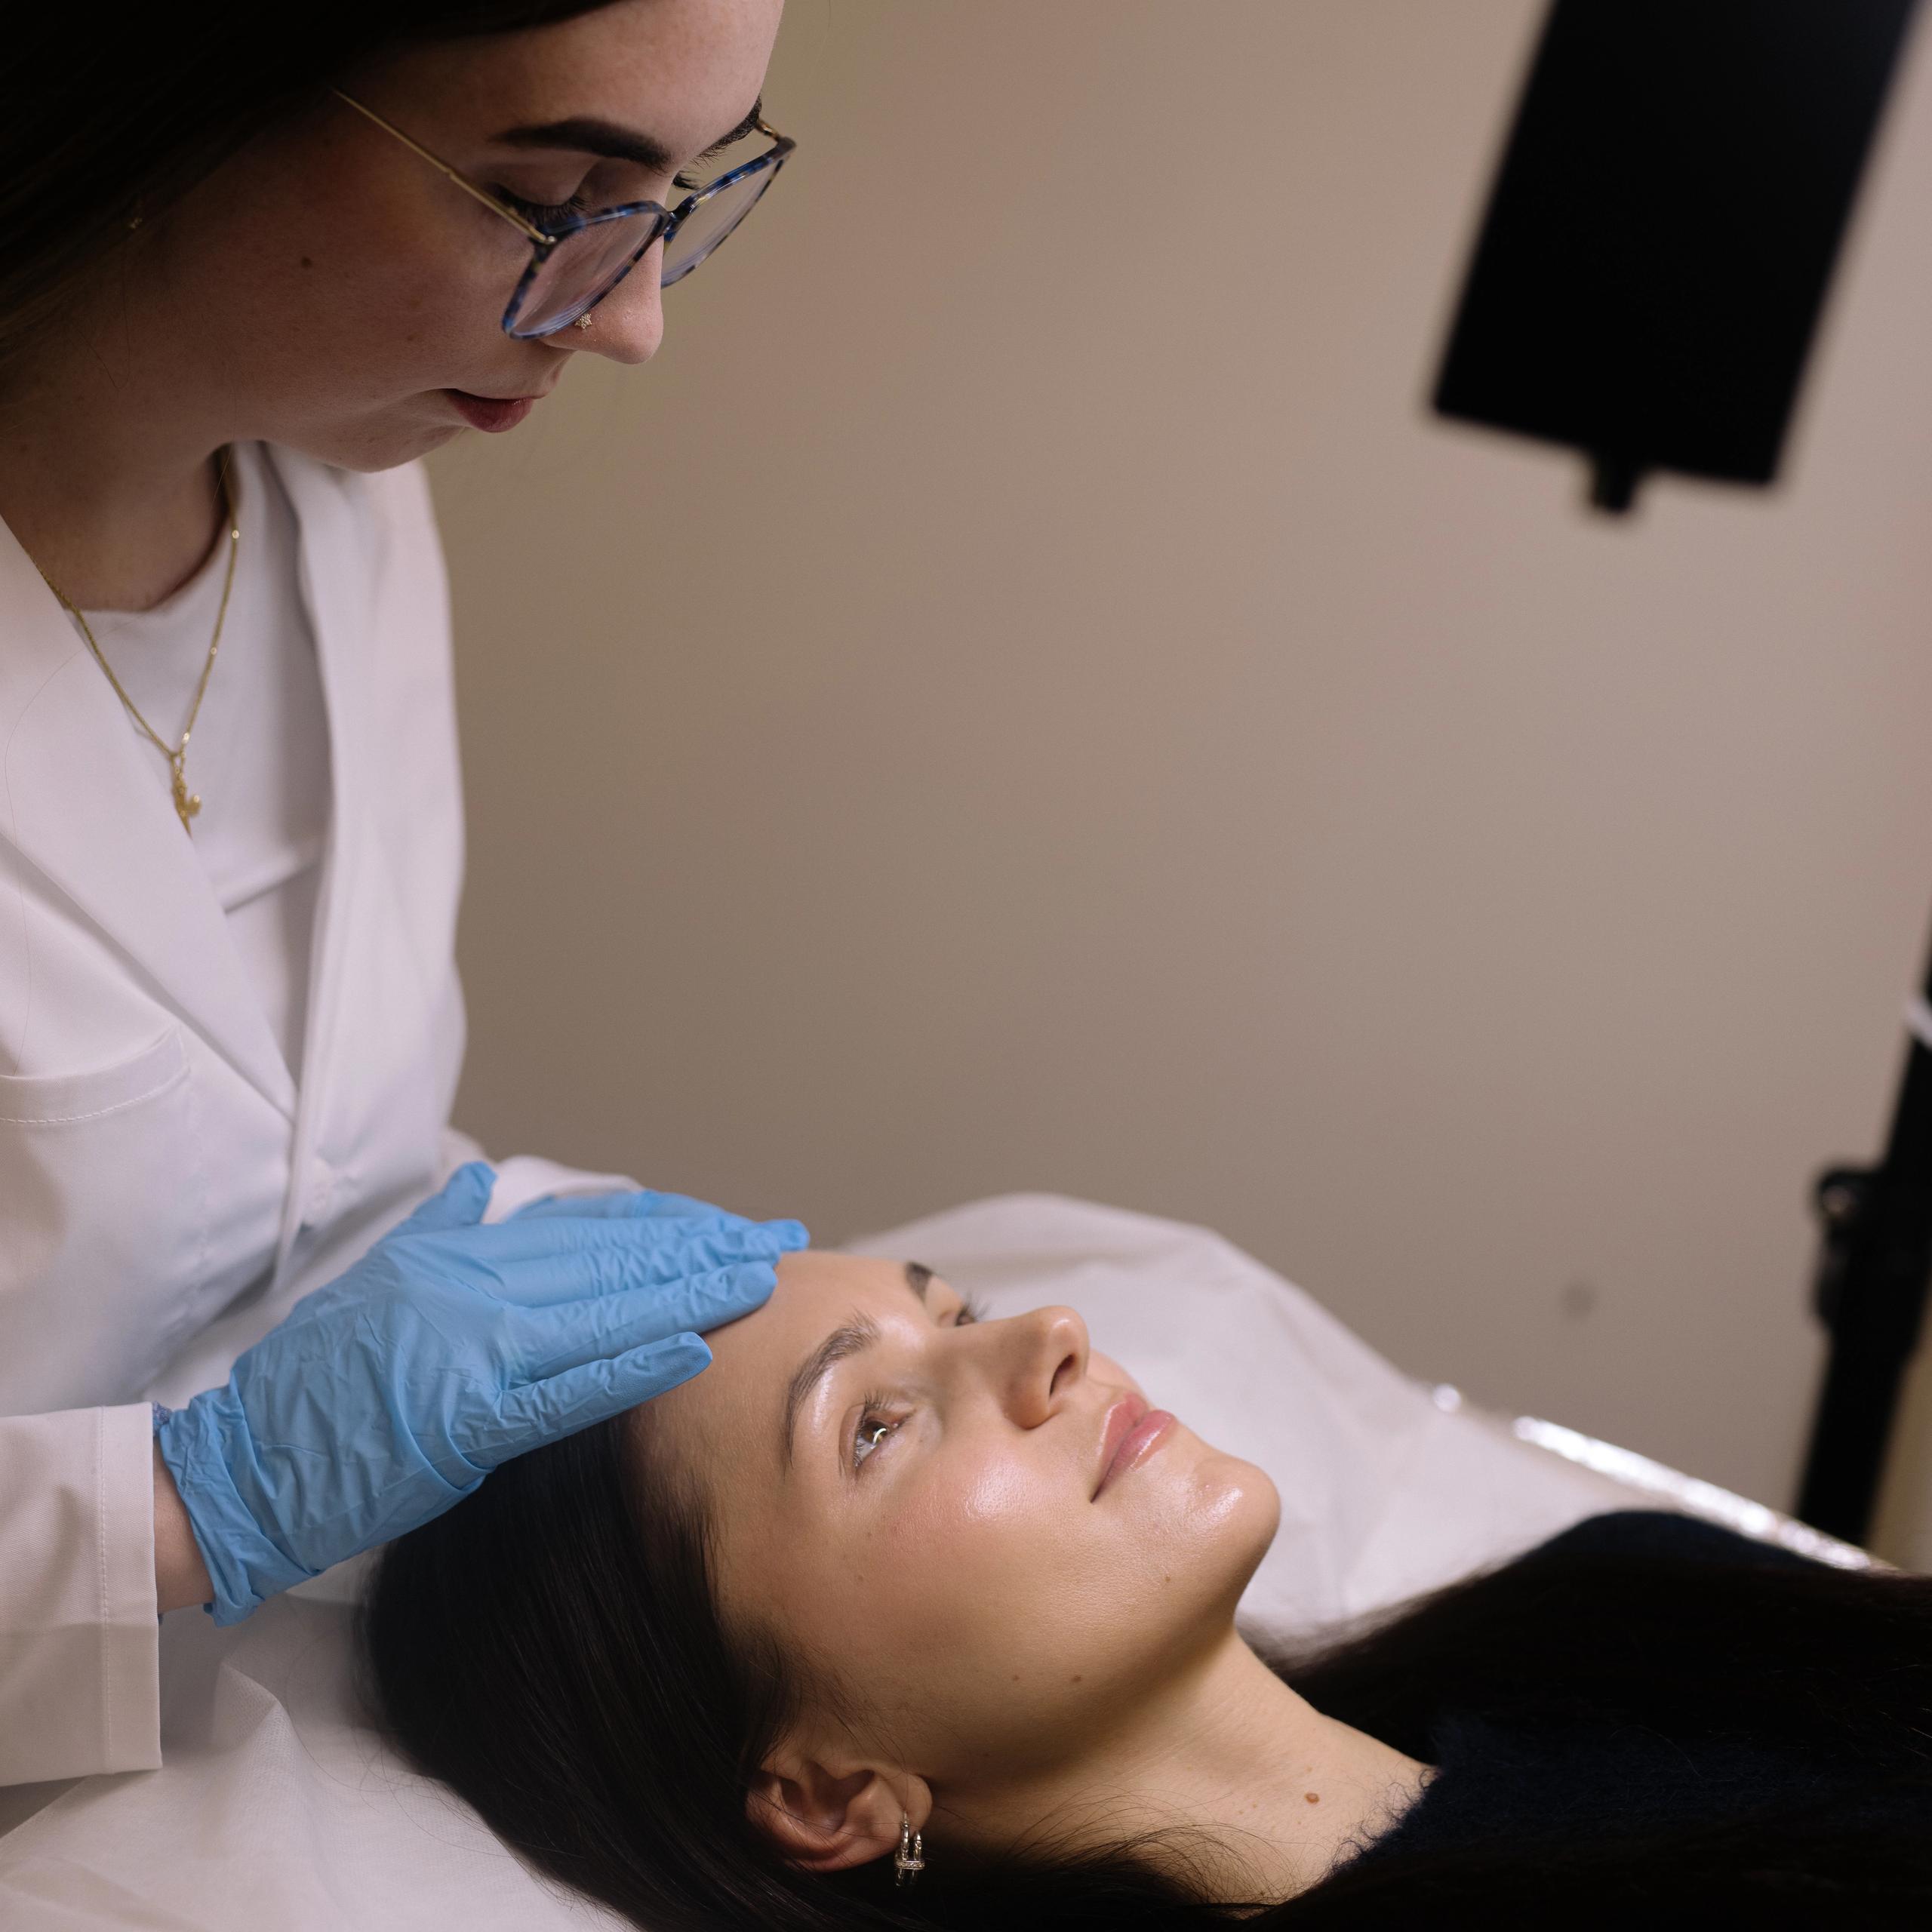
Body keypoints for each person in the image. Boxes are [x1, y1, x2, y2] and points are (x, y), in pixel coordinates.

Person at [0, 0, 799, 1787]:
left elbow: (291, 1164)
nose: (633, 315)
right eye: (549, 197)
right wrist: (185, 1508)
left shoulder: (332, 483)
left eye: (679, 192)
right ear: (170, 89)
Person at [366, 1251, 1932, 1927]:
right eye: (877, 1423)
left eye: (951, 1306)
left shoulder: (1622, 1614)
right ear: (828, 1786)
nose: (1040, 1333)